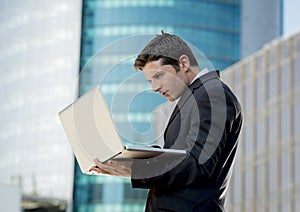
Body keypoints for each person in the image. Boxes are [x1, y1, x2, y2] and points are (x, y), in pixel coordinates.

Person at [91, 32, 243, 211]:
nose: (154, 87)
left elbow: (197, 164)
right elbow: (178, 155)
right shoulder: (197, 97)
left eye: (159, 76)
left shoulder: (211, 95)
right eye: (150, 81)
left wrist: (136, 171)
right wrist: (129, 158)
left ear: (183, 63)